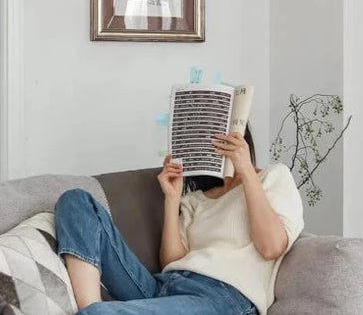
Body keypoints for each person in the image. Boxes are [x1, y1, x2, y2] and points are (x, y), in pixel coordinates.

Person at [54, 127, 304, 315]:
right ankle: (89, 305)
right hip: (165, 286)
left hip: (222, 298)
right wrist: (172, 200)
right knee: (75, 201)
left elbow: (272, 247)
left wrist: (247, 171)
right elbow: (173, 261)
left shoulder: (273, 176)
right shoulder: (196, 199)